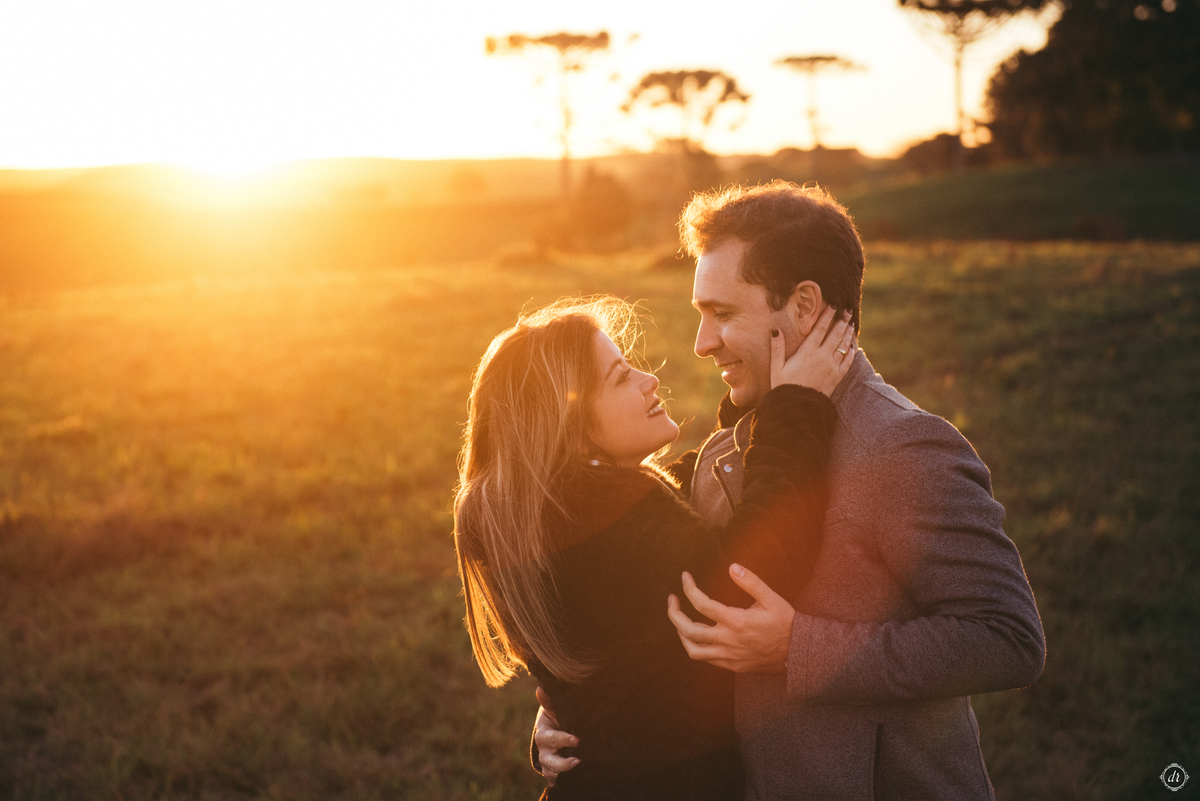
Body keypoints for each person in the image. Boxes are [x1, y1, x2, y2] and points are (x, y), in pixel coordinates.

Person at [534, 182, 1046, 800]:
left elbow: (1007, 638)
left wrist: (797, 647)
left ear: (805, 306)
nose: (701, 343)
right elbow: (659, 622)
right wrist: (573, 718)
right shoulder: (729, 450)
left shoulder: (905, 447)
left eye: (723, 314)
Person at [453, 295, 857, 800]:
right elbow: (749, 578)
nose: (648, 380)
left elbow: (669, 509)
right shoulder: (608, 510)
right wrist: (796, 406)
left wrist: (749, 411)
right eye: (622, 377)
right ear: (568, 428)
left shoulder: (532, 509)